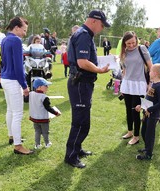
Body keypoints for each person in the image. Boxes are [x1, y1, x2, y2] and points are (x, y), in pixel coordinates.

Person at [64, 9, 110, 168]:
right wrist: (100, 70)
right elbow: (82, 62)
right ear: (94, 21)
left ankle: (77, 148)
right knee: (80, 121)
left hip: (83, 83)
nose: (102, 28)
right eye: (102, 25)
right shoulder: (84, 35)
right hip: (80, 83)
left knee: (83, 119)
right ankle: (71, 156)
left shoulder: (84, 34)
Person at [0, 16, 33, 155]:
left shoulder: (5, 39)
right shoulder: (16, 40)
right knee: (18, 113)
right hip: (13, 80)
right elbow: (19, 67)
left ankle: (12, 136)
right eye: (24, 30)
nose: (25, 34)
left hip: (5, 78)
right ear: (17, 28)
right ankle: (18, 146)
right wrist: (25, 86)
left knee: (10, 110)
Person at [119, 31, 153, 145]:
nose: (131, 45)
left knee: (135, 110)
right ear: (124, 43)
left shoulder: (142, 49)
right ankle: (129, 131)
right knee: (128, 110)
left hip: (139, 84)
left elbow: (150, 66)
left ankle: (136, 136)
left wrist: (150, 83)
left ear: (136, 40)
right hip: (127, 84)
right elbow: (124, 70)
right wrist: (122, 85)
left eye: (133, 42)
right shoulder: (124, 52)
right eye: (128, 43)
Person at [135, 63, 160, 160]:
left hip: (153, 115)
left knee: (149, 134)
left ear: (155, 74)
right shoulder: (153, 84)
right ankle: (147, 148)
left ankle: (148, 154)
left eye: (151, 71)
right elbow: (149, 99)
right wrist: (142, 106)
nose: (149, 72)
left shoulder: (159, 86)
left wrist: (149, 109)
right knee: (144, 131)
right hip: (146, 114)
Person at [29, 78, 61, 149]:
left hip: (34, 118)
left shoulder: (31, 94)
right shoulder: (44, 97)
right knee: (45, 132)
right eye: (45, 85)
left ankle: (37, 145)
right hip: (43, 119)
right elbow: (48, 108)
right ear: (39, 87)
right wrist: (56, 113)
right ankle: (47, 143)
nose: (47, 87)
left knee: (37, 131)